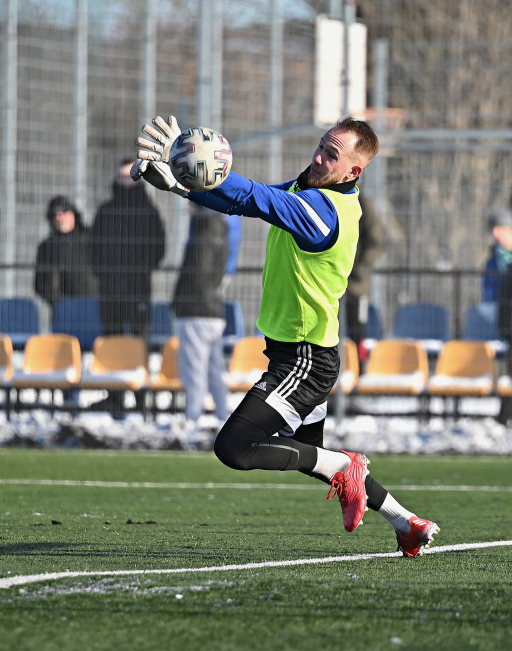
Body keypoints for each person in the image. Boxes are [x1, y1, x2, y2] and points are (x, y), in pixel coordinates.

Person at [133, 114, 439, 557]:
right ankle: (405, 521)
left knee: (235, 448)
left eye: (331, 155)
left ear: (354, 171)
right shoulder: (307, 190)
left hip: (305, 360)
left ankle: (347, 464)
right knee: (312, 458)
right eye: (320, 146)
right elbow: (245, 203)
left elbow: (253, 195)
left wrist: (202, 170)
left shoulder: (323, 213)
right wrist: (184, 186)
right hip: (303, 353)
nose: (317, 157)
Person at [90, 159, 166, 338]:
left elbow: (159, 245)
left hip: (138, 286)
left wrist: (143, 270)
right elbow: (93, 245)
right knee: (111, 337)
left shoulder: (149, 212)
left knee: (139, 336)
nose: (126, 181)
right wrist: (101, 272)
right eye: (122, 177)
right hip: (109, 287)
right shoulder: (106, 211)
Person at [172, 202, 230, 424]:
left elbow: (196, 275)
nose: (186, 208)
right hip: (214, 310)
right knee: (214, 370)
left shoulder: (202, 232)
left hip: (197, 311)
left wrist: (180, 303)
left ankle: (192, 419)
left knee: (194, 370)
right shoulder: (219, 231)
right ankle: (223, 416)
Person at [33, 195, 98, 311]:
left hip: (93, 307)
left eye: (63, 213)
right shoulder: (47, 247)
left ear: (73, 214)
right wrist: (58, 302)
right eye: (55, 215)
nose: (59, 218)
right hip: (63, 311)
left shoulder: (92, 240)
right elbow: (40, 284)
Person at [343, 194, 385, 361]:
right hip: (326, 282)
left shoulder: (361, 202)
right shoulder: (323, 196)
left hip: (354, 286)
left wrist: (359, 269)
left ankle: (357, 377)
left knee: (356, 332)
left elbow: (376, 242)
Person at [482, 208, 512, 302]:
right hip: (499, 312)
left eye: (499, 228)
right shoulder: (492, 261)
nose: (495, 233)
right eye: (493, 229)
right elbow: (488, 295)